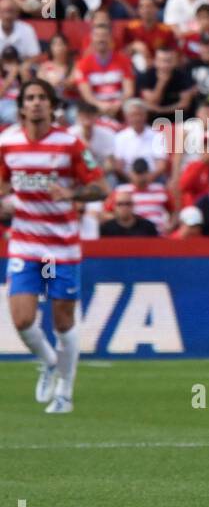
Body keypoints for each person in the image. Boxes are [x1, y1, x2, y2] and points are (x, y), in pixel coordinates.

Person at [1, 78, 108, 414]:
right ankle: (49, 362)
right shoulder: (7, 143)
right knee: (21, 320)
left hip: (62, 247)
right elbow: (3, 183)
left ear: (51, 105)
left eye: (41, 98)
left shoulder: (70, 144)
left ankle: (65, 391)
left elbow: (101, 187)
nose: (35, 103)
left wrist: (72, 194)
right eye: (30, 98)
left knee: (63, 323)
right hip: (25, 243)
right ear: (21, 106)